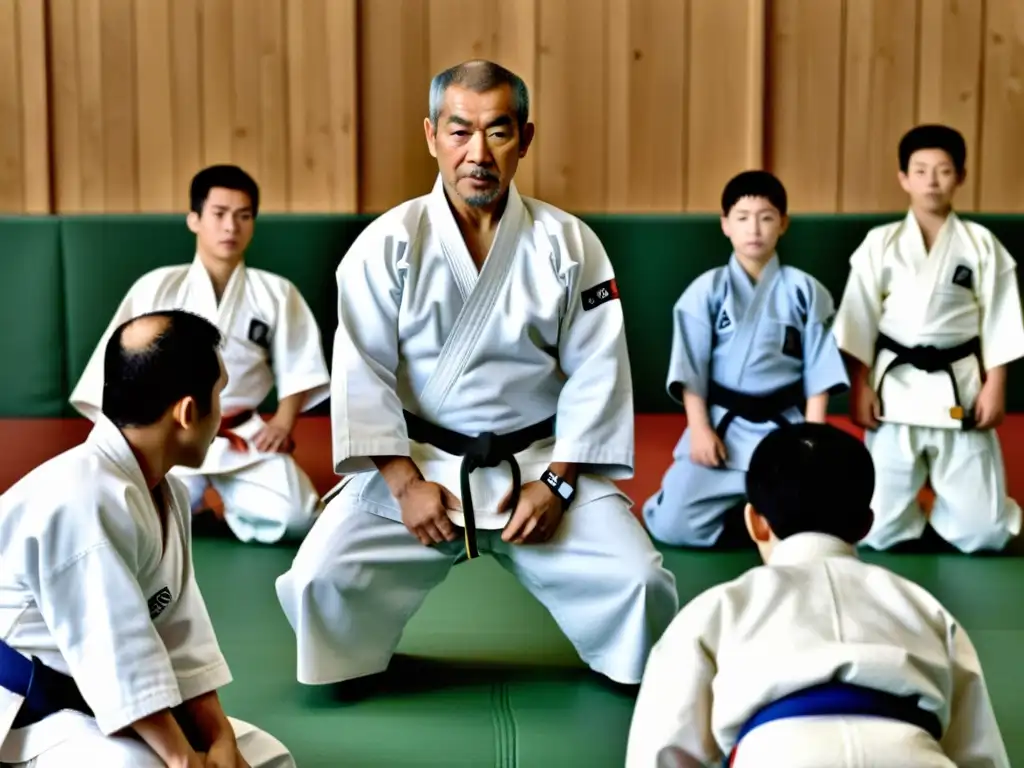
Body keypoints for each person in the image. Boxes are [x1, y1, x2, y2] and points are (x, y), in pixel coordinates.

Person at [274, 59, 679, 691]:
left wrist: (560, 484)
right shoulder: (387, 244)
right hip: (419, 466)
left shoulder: (570, 244)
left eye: (498, 131)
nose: (478, 153)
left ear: (525, 138)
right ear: (431, 135)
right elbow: (362, 372)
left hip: (540, 468)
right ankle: (355, 657)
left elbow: (600, 370)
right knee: (318, 582)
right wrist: (404, 485)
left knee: (642, 584)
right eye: (460, 131)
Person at [0, 310, 295, 767]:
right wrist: (180, 758)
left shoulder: (166, 491)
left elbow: (180, 635)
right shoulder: (79, 499)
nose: (222, 414)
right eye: (219, 395)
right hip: (29, 706)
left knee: (267, 756)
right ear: (187, 412)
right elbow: (115, 653)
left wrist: (220, 739)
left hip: (108, 700)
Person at [625, 421, 1009, 768]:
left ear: (755, 524)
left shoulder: (716, 608)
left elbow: (662, 753)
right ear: (865, 525)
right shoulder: (925, 608)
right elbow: (981, 755)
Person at [69, 164, 331, 545]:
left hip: (244, 437)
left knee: (300, 519)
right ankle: (195, 508)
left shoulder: (276, 293)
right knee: (124, 525)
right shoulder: (157, 286)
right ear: (194, 219)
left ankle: (210, 508)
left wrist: (283, 423)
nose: (231, 227)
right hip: (169, 437)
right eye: (219, 214)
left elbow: (300, 363)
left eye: (243, 216)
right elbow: (114, 370)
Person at [831, 124, 1024, 553]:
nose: (931, 181)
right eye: (920, 170)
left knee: (985, 535)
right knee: (875, 533)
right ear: (903, 178)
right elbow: (859, 319)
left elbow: (1001, 320)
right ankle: (910, 518)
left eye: (942, 170)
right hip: (895, 391)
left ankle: (951, 518)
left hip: (961, 390)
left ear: (961, 176)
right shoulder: (879, 244)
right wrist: (859, 385)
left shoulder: (981, 245)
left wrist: (997, 384)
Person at [642, 171, 849, 548]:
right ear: (725, 225)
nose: (754, 228)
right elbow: (690, 370)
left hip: (785, 430)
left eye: (766, 217)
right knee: (671, 524)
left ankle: (767, 520)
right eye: (742, 217)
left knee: (817, 524)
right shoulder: (705, 291)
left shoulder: (805, 291)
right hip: (723, 428)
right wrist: (700, 429)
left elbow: (820, 369)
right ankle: (746, 528)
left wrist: (812, 439)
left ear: (783, 224)